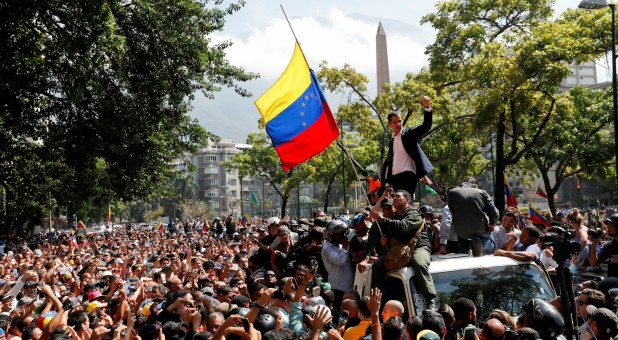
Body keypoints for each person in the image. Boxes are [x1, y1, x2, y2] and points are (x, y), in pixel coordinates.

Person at [369, 190, 436, 305]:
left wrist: (381, 219)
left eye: (398, 196)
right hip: (401, 250)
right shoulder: (395, 216)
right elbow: (374, 212)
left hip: (418, 247)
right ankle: (376, 301)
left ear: (407, 200)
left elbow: (403, 227)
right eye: (394, 196)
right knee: (377, 265)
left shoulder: (414, 213)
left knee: (418, 262)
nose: (394, 198)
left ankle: (430, 300)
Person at [382, 95, 434, 197]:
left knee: (404, 202)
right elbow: (392, 162)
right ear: (389, 124)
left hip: (408, 176)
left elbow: (426, 126)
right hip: (395, 178)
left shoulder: (409, 134)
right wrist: (388, 183)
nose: (398, 124)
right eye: (395, 122)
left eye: (400, 121)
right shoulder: (391, 141)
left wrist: (427, 106)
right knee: (399, 206)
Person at [448, 177, 499, 257]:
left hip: (460, 230)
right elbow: (494, 213)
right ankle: (481, 243)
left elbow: (452, 212)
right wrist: (492, 223)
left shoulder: (451, 192)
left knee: (462, 233)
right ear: (475, 184)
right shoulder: (482, 192)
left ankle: (465, 251)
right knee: (492, 244)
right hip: (480, 229)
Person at [321, 220, 354, 310]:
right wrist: (344, 247)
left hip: (348, 286)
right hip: (339, 287)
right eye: (338, 234)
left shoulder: (339, 246)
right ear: (331, 234)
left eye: (342, 233)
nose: (341, 236)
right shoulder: (327, 248)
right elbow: (340, 261)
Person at [590, 214, 618, 278]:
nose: (608, 227)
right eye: (608, 224)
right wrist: (594, 243)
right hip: (612, 284)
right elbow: (593, 264)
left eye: (611, 225)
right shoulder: (609, 245)